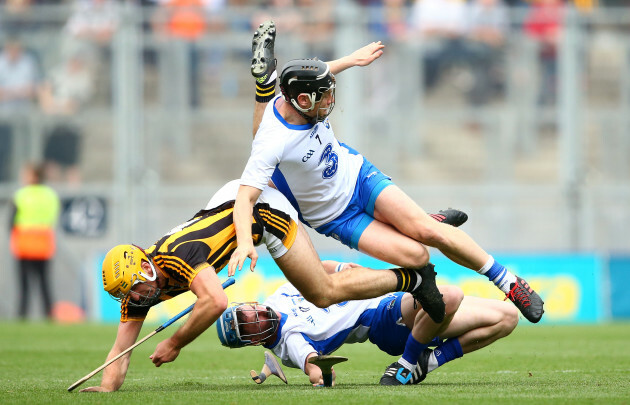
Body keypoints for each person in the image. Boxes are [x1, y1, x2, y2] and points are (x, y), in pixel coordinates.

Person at [231, 21, 544, 327]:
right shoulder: (272, 141)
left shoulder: (297, 94)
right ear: (302, 100)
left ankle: (508, 281)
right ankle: (419, 237)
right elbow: (244, 198)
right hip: (337, 218)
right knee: (416, 254)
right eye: (324, 97)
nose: (330, 102)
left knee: (429, 233)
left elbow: (315, 75)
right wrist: (245, 241)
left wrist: (352, 60)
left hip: (359, 178)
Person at [79, 179, 464, 392]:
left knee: (323, 290)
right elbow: (120, 350)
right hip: (230, 200)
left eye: (130, 290)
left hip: (263, 214)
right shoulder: (141, 290)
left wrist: (175, 342)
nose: (131, 300)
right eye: (124, 295)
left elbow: (213, 301)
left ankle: (410, 273)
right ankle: (420, 226)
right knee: (272, 161)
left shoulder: (176, 256)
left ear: (145, 267)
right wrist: (108, 388)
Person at [216, 261, 519, 386]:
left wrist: (340, 268)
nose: (256, 318)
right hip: (383, 320)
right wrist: (319, 373)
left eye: (249, 314)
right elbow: (309, 361)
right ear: (252, 341)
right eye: (250, 327)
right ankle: (406, 364)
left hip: (383, 295)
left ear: (249, 304)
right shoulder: (288, 341)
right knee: (449, 296)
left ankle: (429, 361)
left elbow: (314, 269)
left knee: (508, 318)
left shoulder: (278, 294)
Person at [9, 163, 60, 320]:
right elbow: (53, 217)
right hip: (44, 244)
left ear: (34, 176)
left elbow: (11, 221)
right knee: (44, 283)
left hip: (24, 244)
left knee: (24, 285)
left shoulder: (21, 194)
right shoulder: (50, 195)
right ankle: (48, 314)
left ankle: (22, 315)